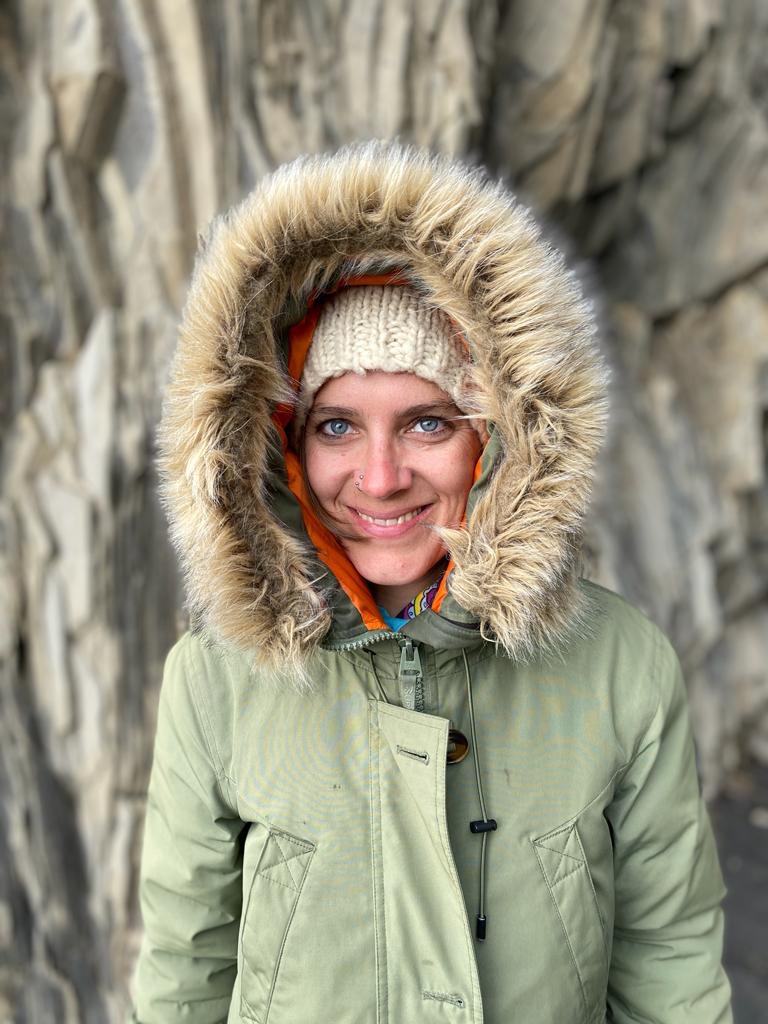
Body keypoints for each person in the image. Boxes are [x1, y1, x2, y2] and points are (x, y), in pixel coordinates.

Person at [129, 142, 733, 1023]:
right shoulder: (216, 682)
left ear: (497, 438)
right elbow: (185, 971)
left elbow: (669, 960)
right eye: (336, 425)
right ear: (280, 445)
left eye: (425, 423)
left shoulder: (619, 667)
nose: (379, 478)